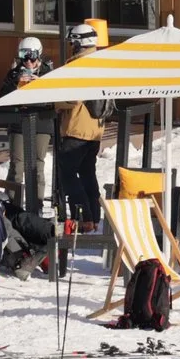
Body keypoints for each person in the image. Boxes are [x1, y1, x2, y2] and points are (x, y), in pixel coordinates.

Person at [52, 18, 110, 229]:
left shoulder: (77, 65)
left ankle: (82, 217)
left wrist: (53, 101)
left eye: (72, 42)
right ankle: (93, 218)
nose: (71, 46)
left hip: (76, 130)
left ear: (78, 43)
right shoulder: (102, 64)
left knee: (67, 174)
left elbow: (72, 99)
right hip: (95, 131)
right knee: (87, 174)